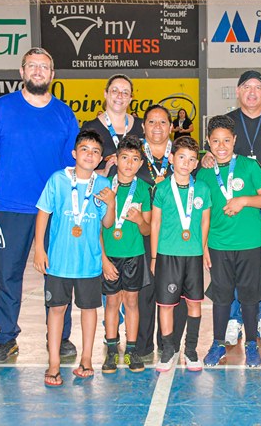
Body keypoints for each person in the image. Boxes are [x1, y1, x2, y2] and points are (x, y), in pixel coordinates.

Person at [0, 47, 80, 364]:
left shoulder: (64, 114)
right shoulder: (2, 108)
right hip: (9, 208)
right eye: (32, 65)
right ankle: (6, 339)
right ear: (21, 72)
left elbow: (73, 167)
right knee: (6, 275)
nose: (38, 70)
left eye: (44, 66)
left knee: (58, 275)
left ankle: (60, 336)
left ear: (52, 74)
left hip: (55, 210)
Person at [203, 70, 261, 347]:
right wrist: (206, 157)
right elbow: (214, 152)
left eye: (257, 87)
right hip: (229, 211)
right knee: (230, 271)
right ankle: (234, 319)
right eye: (246, 87)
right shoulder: (228, 121)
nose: (252, 92)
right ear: (238, 91)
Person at [34, 130, 116, 386]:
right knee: (57, 309)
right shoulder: (58, 180)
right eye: (84, 150)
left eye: (95, 152)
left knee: (89, 309)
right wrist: (39, 249)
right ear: (74, 153)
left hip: (89, 262)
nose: (90, 155)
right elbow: (43, 213)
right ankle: (54, 362)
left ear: (101, 158)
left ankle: (87, 359)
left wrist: (112, 203)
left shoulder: (103, 185)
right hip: (59, 261)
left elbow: (107, 224)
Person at [197, 115, 261, 368]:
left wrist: (244, 200)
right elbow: (202, 214)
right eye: (216, 141)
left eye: (226, 140)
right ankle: (218, 343)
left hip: (250, 244)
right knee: (221, 298)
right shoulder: (204, 173)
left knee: (250, 297)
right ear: (208, 142)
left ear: (235, 140)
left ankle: (251, 344)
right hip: (218, 245)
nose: (221, 146)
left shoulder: (249, 166)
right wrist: (203, 246)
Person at [150, 136, 211, 372]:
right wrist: (154, 257)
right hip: (167, 255)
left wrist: (201, 249)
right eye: (182, 157)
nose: (187, 163)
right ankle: (168, 350)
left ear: (197, 163)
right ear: (171, 158)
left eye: (192, 159)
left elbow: (205, 222)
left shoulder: (202, 189)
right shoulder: (162, 188)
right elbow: (155, 223)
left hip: (192, 255)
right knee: (166, 305)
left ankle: (191, 350)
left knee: (194, 303)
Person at [133, 104, 188, 359]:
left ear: (171, 126)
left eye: (163, 122)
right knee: (145, 291)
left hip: (175, 235)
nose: (157, 127)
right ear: (143, 126)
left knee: (175, 290)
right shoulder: (133, 155)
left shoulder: (182, 154)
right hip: (141, 234)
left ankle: (170, 343)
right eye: (152, 122)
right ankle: (142, 346)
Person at [100, 136, 152, 374]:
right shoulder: (104, 186)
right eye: (124, 158)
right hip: (110, 256)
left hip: (134, 255)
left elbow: (147, 230)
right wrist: (103, 260)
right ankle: (112, 350)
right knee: (112, 302)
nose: (129, 164)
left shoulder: (143, 189)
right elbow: (98, 228)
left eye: (134, 159)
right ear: (116, 159)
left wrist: (140, 220)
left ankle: (131, 350)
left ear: (140, 163)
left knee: (131, 302)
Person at [81, 74, 143, 178]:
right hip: (102, 187)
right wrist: (102, 172)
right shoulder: (90, 128)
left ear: (130, 98)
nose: (120, 96)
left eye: (125, 92)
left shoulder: (142, 126)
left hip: (137, 187)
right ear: (105, 94)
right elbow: (80, 170)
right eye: (115, 91)